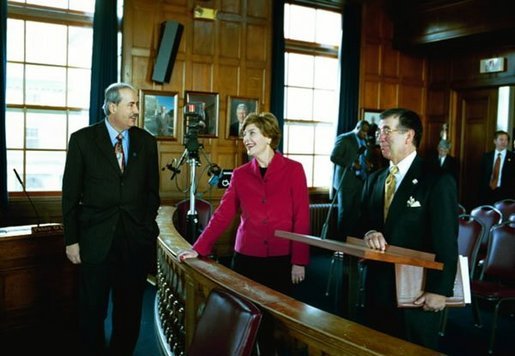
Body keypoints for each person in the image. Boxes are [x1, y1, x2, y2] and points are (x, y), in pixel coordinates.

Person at [62, 82, 160, 355]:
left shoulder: (147, 142)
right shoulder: (82, 140)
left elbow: (153, 193)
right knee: (92, 311)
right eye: (131, 105)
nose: (137, 111)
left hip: (134, 244)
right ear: (112, 106)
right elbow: (70, 196)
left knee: (129, 312)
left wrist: (144, 226)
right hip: (95, 243)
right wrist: (72, 241)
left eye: (137, 105)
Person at [178, 112, 310, 296]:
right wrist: (198, 249)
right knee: (245, 313)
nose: (246, 139)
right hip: (246, 257)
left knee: (276, 318)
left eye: (252, 133)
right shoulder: (240, 174)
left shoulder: (294, 170)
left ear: (269, 136)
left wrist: (299, 261)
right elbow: (222, 215)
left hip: (282, 258)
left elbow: (302, 217)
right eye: (244, 134)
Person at [358, 108, 458, 350]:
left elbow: (446, 238)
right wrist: (369, 232)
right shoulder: (376, 179)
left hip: (416, 291)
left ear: (408, 136)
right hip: (377, 287)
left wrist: (439, 290)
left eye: (386, 131)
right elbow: (360, 223)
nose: (379, 137)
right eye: (379, 131)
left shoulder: (436, 179)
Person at [330, 120, 370, 240]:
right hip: (346, 183)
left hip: (360, 181)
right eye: (363, 132)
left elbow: (362, 156)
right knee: (345, 214)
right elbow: (334, 156)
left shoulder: (364, 141)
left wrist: (366, 163)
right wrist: (351, 164)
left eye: (367, 133)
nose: (365, 135)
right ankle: (341, 246)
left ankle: (351, 245)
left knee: (356, 215)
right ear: (357, 127)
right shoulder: (344, 138)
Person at [478, 130, 515, 205]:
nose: (503, 142)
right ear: (495, 141)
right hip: (488, 192)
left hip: (505, 194)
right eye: (501, 139)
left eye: (506, 140)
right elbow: (481, 175)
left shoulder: (513, 157)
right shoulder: (487, 156)